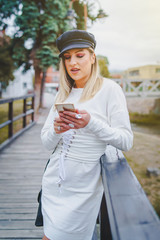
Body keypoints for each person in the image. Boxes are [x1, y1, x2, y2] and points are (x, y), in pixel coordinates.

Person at [41, 29, 133, 240]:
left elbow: (126, 141)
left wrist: (90, 122)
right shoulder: (62, 93)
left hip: (83, 190)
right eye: (67, 57)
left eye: (80, 55)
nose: (73, 63)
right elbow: (46, 143)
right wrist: (57, 129)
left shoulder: (110, 89)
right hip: (54, 184)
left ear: (92, 57)